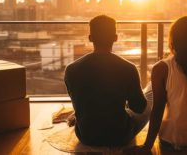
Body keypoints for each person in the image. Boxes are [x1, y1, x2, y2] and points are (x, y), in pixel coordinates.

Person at [126, 16, 187, 154]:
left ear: (174, 39)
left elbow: (157, 110)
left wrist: (147, 146)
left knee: (151, 87)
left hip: (176, 137)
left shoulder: (162, 68)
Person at [64, 15, 152, 147]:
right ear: (115, 38)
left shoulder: (71, 69)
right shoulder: (128, 68)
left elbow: (78, 100)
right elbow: (139, 108)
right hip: (119, 136)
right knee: (150, 98)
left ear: (90, 38)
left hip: (85, 136)